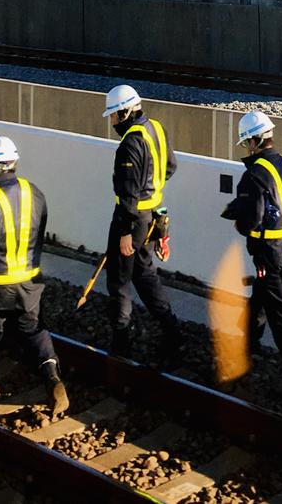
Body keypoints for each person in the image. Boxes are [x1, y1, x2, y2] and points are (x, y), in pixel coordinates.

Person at [0, 134, 69, 416]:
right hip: (29, 283)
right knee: (33, 330)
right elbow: (39, 236)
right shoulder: (36, 193)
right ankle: (52, 376)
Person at [221, 110, 282, 398]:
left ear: (254, 141)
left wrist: (238, 219)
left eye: (247, 142)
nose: (247, 148)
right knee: (260, 296)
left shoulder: (253, 175)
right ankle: (247, 345)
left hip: (270, 255)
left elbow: (251, 221)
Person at [103, 83, 181, 362]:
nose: (112, 121)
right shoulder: (156, 128)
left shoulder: (130, 144)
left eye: (113, 115)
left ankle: (121, 341)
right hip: (151, 217)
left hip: (131, 222)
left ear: (124, 113)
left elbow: (128, 194)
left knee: (119, 281)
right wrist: (152, 191)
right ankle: (172, 330)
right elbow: (170, 167)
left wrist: (125, 232)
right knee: (145, 275)